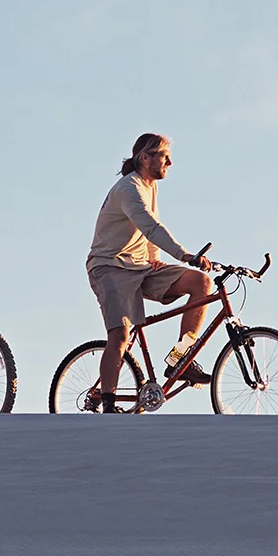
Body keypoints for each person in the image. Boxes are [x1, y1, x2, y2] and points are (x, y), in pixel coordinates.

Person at [85, 132, 215, 411]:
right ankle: (107, 402)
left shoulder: (149, 186)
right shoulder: (128, 188)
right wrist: (185, 255)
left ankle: (181, 357)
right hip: (109, 267)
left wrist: (155, 258)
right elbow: (151, 227)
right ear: (145, 157)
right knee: (120, 335)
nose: (169, 162)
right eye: (164, 156)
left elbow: (149, 227)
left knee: (201, 284)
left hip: (139, 267)